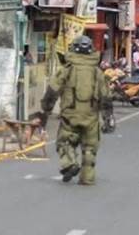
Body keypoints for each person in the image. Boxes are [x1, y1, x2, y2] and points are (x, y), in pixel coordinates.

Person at [37, 36, 113, 185]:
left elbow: (52, 90)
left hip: (69, 116)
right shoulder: (97, 72)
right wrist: (108, 118)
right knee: (90, 149)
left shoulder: (67, 69)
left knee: (64, 143)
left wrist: (46, 108)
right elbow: (106, 96)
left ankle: (69, 164)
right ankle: (87, 178)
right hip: (91, 116)